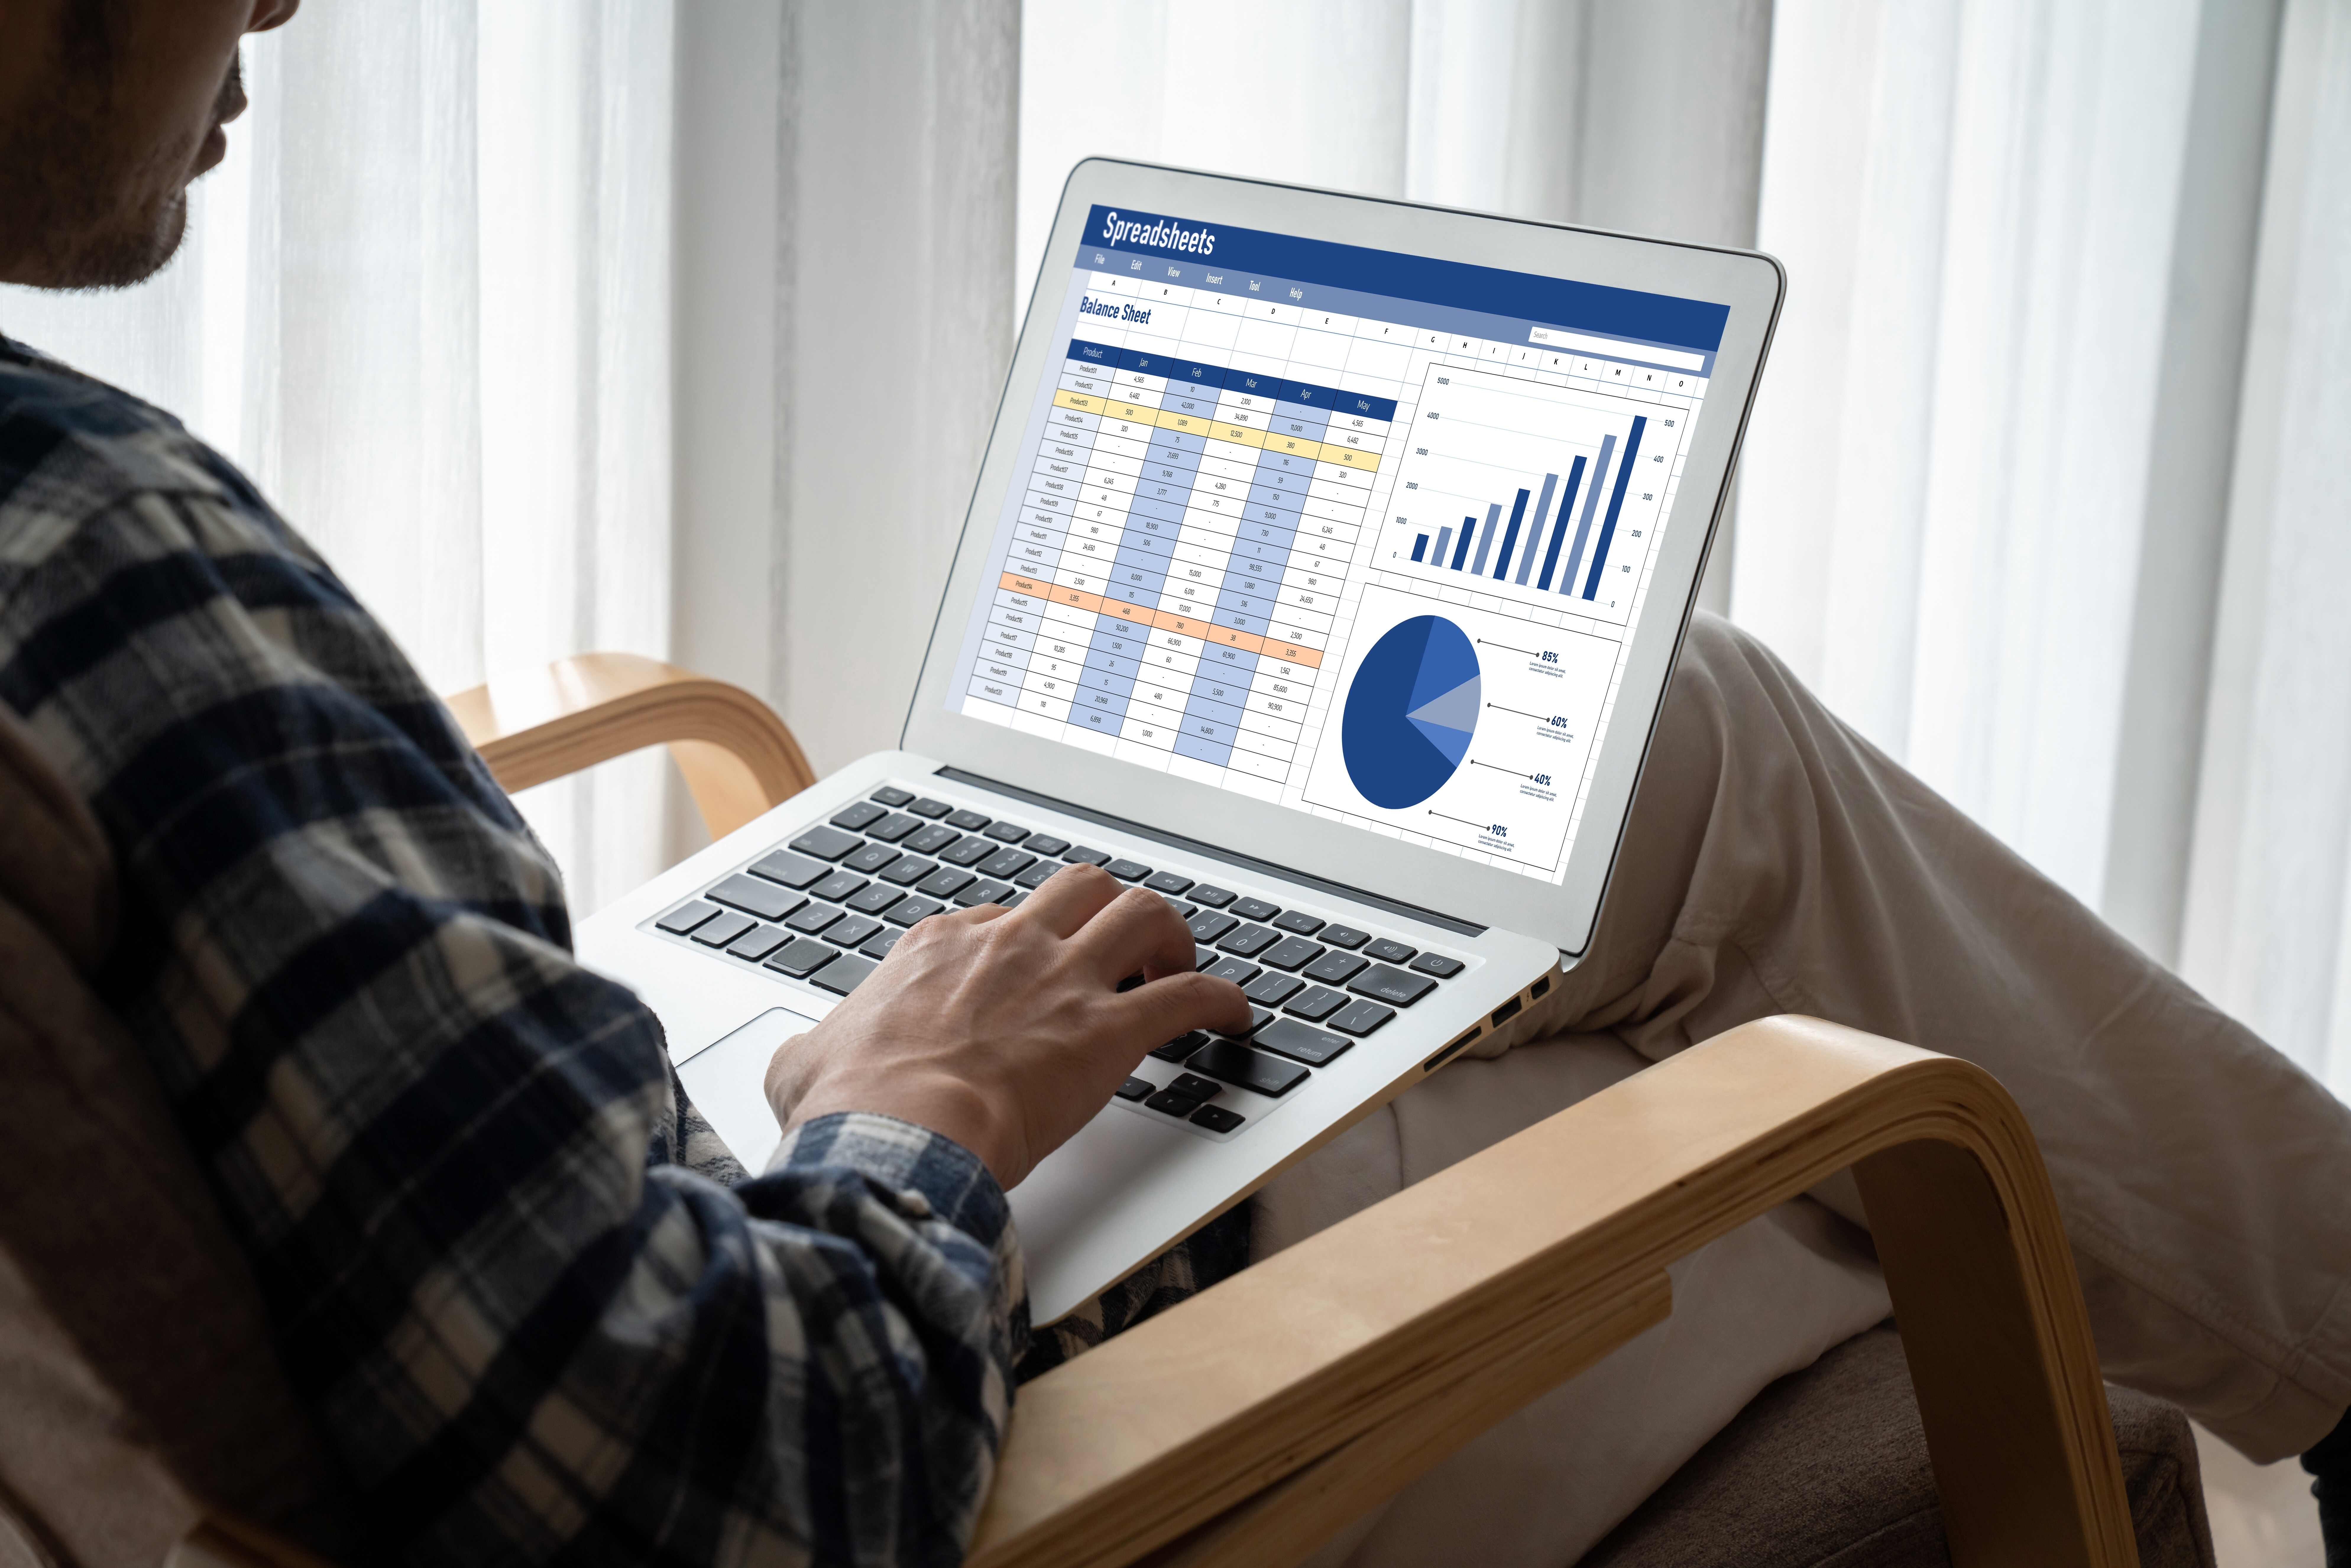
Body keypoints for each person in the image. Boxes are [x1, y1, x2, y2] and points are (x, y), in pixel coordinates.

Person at [2, 4, 2347, 1565]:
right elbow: (725, 1489)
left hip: (637, 1222)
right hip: (905, 1415)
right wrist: (913, 1128)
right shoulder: (96, 557)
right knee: (1815, 1139)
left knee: (1660, 750)